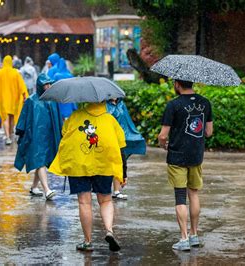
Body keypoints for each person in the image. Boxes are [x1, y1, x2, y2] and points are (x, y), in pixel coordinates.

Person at [49, 102, 126, 252]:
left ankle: (88, 241)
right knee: (106, 200)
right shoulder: (110, 120)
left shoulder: (74, 116)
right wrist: (124, 171)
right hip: (104, 165)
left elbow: (64, 134)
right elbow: (121, 145)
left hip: (79, 165)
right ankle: (109, 230)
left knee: (84, 202)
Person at [157, 80, 213, 251]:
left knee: (180, 196)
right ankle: (194, 235)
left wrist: (162, 143)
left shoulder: (173, 105)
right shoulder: (205, 103)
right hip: (196, 155)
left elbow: (163, 135)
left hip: (177, 155)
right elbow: (209, 132)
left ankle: (183, 239)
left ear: (177, 84)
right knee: (194, 194)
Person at [14, 73, 62, 200]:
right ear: (40, 85)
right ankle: (47, 190)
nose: (48, 86)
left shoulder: (52, 100)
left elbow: (57, 119)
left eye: (49, 83)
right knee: (39, 160)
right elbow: (23, 118)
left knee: (42, 161)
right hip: (35, 136)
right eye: (46, 84)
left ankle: (34, 187)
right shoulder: (31, 100)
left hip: (48, 136)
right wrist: (21, 133)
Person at [107, 98, 146, 199]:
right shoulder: (104, 105)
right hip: (108, 137)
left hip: (120, 137)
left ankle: (116, 190)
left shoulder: (121, 104)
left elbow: (127, 120)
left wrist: (133, 134)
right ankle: (105, 190)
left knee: (119, 162)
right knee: (109, 163)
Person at [0, 55, 29, 145]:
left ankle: (8, 137)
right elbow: (22, 87)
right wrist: (25, 96)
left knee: (5, 118)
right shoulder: (16, 73)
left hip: (3, 99)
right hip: (14, 99)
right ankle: (11, 134)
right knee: (12, 117)